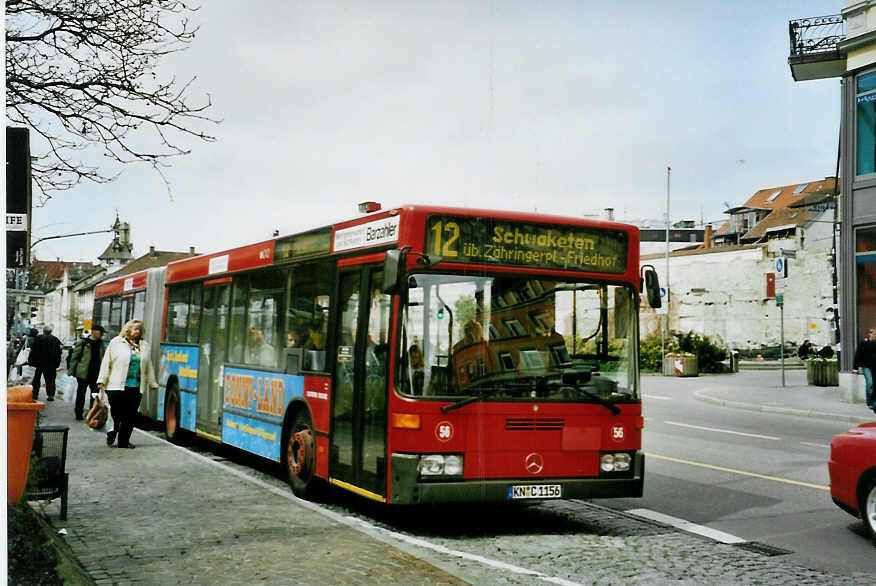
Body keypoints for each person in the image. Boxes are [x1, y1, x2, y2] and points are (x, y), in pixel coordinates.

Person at [97, 319, 158, 448]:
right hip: (116, 386)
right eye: (135, 329)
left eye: (140, 329)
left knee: (130, 416)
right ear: (128, 329)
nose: (138, 332)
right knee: (116, 414)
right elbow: (106, 362)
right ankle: (112, 432)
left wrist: (152, 382)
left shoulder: (145, 345)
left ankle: (123, 441)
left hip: (135, 386)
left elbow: (148, 365)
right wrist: (102, 380)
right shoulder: (116, 342)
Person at [69, 325, 105, 421]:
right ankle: (78, 413)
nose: (100, 335)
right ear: (93, 332)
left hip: (96, 374)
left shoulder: (101, 344)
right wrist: (71, 371)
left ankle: (91, 414)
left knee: (94, 395)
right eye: (99, 333)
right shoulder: (83, 342)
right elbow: (74, 357)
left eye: (101, 334)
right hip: (83, 373)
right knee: (81, 393)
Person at [29, 325, 62, 401]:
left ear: (43, 331)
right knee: (50, 380)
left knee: (36, 379)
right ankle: (50, 395)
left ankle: (35, 394)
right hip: (51, 364)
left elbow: (33, 351)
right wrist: (57, 364)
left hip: (38, 363)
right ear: (51, 332)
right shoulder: (55, 340)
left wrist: (31, 361)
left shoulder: (38, 339)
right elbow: (58, 353)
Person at [853, 327, 876, 413]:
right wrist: (855, 368)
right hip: (866, 367)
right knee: (870, 383)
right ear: (870, 334)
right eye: (874, 334)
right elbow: (858, 355)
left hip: (875, 367)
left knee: (874, 384)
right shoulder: (864, 343)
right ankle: (869, 401)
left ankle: (873, 402)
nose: (875, 336)